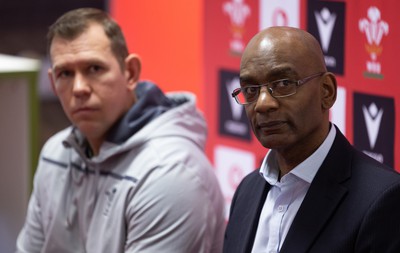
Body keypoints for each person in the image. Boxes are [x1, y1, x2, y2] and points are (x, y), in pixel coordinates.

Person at [16, 8, 225, 253]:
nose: (79, 88)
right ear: (53, 83)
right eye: (65, 74)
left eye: (94, 68)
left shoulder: (171, 173)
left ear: (131, 73)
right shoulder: (55, 154)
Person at [223, 26, 400, 253]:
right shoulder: (247, 190)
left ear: (326, 91)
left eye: (283, 83)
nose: (263, 103)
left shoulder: (382, 200)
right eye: (250, 89)